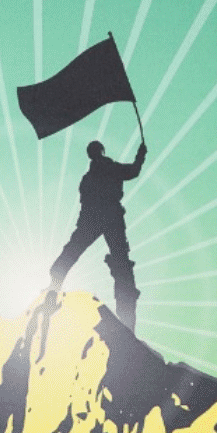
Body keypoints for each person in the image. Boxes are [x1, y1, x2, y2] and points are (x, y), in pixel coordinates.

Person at [49, 137, 147, 331]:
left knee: (75, 250)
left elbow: (84, 201)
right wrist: (141, 155)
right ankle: (126, 311)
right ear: (100, 152)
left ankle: (56, 276)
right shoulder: (108, 167)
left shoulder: (87, 178)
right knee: (121, 263)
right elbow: (133, 171)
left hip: (93, 217)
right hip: (109, 215)